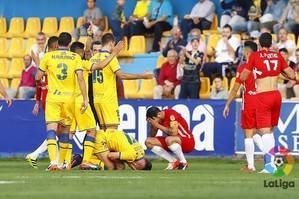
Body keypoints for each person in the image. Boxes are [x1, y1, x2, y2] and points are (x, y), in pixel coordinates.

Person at [240, 32, 296, 174]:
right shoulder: (277, 55)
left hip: (263, 95)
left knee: (264, 132)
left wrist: (250, 70)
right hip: (276, 95)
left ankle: (270, 165)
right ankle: (271, 164)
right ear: (271, 43)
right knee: (270, 131)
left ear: (259, 43)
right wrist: (279, 72)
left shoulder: (254, 56)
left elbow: (244, 76)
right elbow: (291, 75)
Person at [35, 32, 89, 171]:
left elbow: (38, 76)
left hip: (53, 97)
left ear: (58, 43)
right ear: (69, 44)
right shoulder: (75, 57)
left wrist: (43, 77)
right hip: (69, 99)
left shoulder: (48, 56)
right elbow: (81, 78)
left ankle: (53, 162)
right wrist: (85, 98)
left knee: (51, 130)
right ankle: (62, 163)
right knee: (65, 132)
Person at [66, 41, 124, 170]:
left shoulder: (65, 63)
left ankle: (62, 161)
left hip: (66, 101)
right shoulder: (81, 63)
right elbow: (101, 65)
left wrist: (89, 37)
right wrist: (114, 52)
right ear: (80, 53)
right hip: (81, 101)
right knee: (92, 130)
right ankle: (86, 161)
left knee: (67, 132)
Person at [89, 33, 154, 130]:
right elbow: (122, 75)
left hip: (97, 100)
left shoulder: (93, 58)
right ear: (111, 43)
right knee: (112, 130)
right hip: (108, 100)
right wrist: (142, 76)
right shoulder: (110, 57)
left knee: (103, 131)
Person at [223, 41, 264, 172]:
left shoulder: (243, 68)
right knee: (257, 131)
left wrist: (227, 104)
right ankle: (272, 155)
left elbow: (235, 89)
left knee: (248, 134)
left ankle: (251, 166)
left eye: (243, 52)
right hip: (263, 101)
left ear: (247, 52)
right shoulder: (263, 66)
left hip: (250, 102)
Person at [26, 37, 59, 169]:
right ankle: (39, 156)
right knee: (59, 130)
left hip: (47, 97)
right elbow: (40, 80)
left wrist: (38, 101)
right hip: (53, 98)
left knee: (59, 130)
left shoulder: (45, 60)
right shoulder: (53, 60)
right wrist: (38, 101)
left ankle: (55, 160)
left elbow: (39, 81)